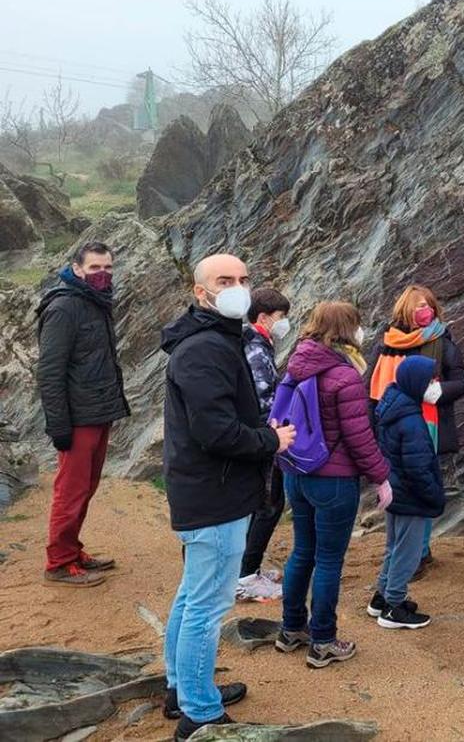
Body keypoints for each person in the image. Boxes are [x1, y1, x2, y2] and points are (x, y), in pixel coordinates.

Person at [161, 254, 295, 740]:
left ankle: (181, 689)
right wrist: (270, 441)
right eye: (224, 281)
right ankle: (199, 711)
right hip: (213, 491)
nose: (237, 287)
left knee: (192, 594)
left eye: (242, 279)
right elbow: (214, 430)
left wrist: (259, 432)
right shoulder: (205, 349)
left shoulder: (217, 340)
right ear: (201, 293)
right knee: (207, 604)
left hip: (207, 487)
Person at [274, 302, 391, 669]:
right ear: (346, 330)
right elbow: (359, 437)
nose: (362, 331)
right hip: (334, 480)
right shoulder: (344, 376)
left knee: (302, 552)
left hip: (297, 473)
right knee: (328, 560)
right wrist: (381, 477)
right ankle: (323, 640)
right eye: (358, 325)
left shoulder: (296, 363)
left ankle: (292, 628)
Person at [37, 240, 130, 587]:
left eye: (107, 268)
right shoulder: (64, 308)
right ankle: (59, 562)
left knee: (85, 487)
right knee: (71, 490)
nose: (102, 274)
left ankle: (72, 550)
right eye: (95, 268)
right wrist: (58, 426)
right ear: (77, 269)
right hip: (77, 419)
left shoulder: (96, 302)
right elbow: (50, 371)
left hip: (98, 413)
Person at [365, 284, 464, 577]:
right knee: (397, 489)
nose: (427, 311)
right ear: (405, 311)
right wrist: (372, 429)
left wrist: (438, 391)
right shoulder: (386, 343)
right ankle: (403, 551)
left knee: (422, 487)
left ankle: (419, 554)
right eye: (419, 306)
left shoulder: (442, 341)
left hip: (429, 427)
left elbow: (461, 382)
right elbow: (370, 388)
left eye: (430, 305)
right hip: (391, 427)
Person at [368, 355, 443, 630]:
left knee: (393, 546)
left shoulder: (391, 407)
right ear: (417, 383)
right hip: (412, 496)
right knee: (408, 552)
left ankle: (382, 596)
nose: (435, 384)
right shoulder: (411, 420)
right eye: (431, 380)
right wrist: (434, 496)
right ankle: (394, 607)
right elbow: (418, 467)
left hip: (394, 490)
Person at [236, 288, 292, 603]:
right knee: (269, 505)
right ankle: (246, 576)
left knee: (264, 504)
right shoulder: (256, 350)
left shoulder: (258, 344)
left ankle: (247, 569)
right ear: (263, 318)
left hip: (262, 434)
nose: (284, 323)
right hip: (265, 436)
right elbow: (263, 397)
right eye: (281, 317)